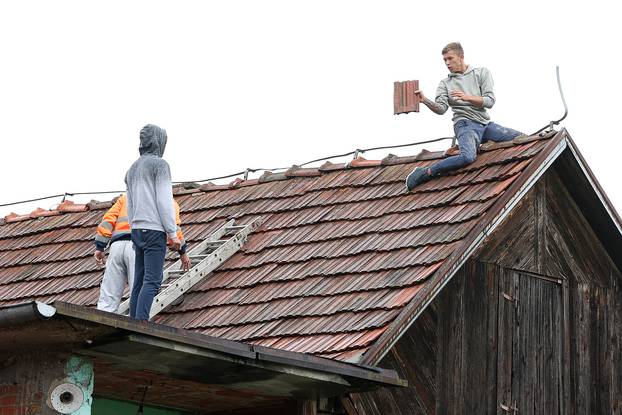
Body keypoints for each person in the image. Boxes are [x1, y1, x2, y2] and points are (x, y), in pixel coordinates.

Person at [406, 42, 524, 190]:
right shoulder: (445, 84)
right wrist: (425, 101)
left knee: (522, 138)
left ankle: (462, 146)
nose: (447, 63)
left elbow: (490, 101)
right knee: (468, 157)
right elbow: (441, 109)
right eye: (445, 60)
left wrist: (467, 98)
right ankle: (425, 172)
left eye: (450, 58)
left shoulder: (481, 73)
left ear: (461, 57)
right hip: (465, 124)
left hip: (484, 124)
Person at [93, 194, 190, 313]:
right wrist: (182, 251)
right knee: (139, 291)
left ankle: (102, 324)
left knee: (108, 298)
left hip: (116, 247)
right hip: (138, 247)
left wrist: (100, 246)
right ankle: (139, 323)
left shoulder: (127, 197)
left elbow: (108, 220)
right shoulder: (166, 200)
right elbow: (173, 228)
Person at [125, 124, 183, 320]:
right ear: (159, 141)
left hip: (137, 229)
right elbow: (164, 201)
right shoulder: (160, 166)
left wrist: (134, 226)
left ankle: (133, 320)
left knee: (139, 281)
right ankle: (141, 322)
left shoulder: (132, 169)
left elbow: (130, 205)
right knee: (152, 280)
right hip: (154, 230)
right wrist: (172, 233)